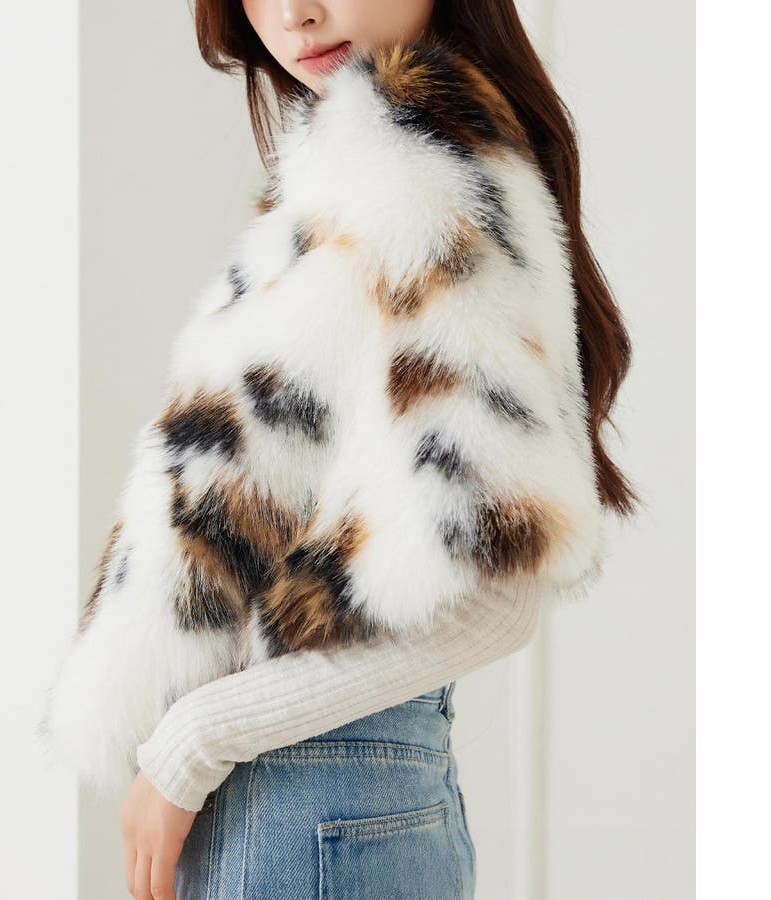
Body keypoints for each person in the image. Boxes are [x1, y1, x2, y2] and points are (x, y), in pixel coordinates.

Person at [39, 1, 639, 897]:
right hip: (313, 807)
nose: (295, 13)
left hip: (303, 808)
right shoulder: (364, 175)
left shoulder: (419, 171)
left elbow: (495, 601)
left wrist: (192, 744)